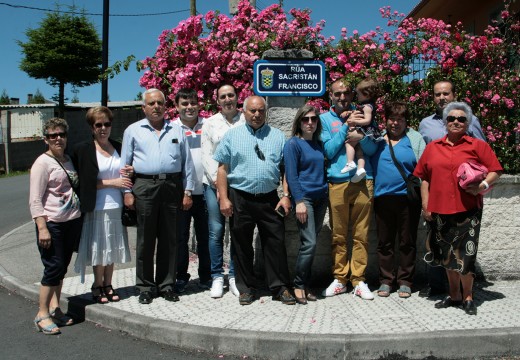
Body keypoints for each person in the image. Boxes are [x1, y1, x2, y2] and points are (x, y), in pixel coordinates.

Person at [414, 101, 502, 315]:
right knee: (447, 257)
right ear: (445, 122)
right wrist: (426, 205)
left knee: (466, 255)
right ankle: (454, 295)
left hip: (468, 210)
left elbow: (496, 171)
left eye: (461, 119)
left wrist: (481, 186)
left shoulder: (477, 145)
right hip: (439, 210)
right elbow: (424, 178)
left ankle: (468, 296)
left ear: (467, 123)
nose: (456, 122)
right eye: (451, 118)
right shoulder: (433, 147)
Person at [213, 95, 295, 306]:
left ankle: (279, 288)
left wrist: (285, 196)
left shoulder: (277, 136)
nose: (257, 114)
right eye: (252, 111)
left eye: (260, 111)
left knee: (275, 243)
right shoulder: (232, 136)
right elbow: (222, 170)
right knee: (241, 245)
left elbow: (286, 170)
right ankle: (246, 289)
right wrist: (224, 198)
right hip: (240, 197)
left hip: (269, 199)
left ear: (265, 112)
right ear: (245, 111)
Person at [121, 88, 195, 305]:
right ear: (144, 108)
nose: (156, 107)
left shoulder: (176, 130)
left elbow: (187, 163)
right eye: (151, 103)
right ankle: (145, 286)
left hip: (172, 186)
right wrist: (127, 192)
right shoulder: (133, 130)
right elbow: (125, 166)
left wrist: (187, 191)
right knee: (145, 239)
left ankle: (166, 285)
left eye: (159, 103)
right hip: (144, 186)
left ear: (165, 106)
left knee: (169, 239)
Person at [418, 79, 486, 298]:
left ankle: (465, 292)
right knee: (439, 244)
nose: (441, 97)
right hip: (437, 196)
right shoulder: (425, 124)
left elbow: (483, 157)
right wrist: (425, 199)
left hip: (464, 198)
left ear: (454, 94)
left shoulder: (469, 119)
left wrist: (478, 182)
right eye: (437, 94)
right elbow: (424, 166)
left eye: (446, 93)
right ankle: (441, 288)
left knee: (464, 246)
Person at [320, 78, 378, 300]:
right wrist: (345, 128)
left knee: (362, 234)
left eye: (346, 93)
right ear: (331, 97)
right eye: (337, 94)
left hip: (364, 179)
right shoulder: (325, 120)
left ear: (352, 95)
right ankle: (340, 279)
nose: (342, 97)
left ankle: (359, 280)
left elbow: (372, 149)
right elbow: (329, 151)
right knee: (339, 235)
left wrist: (360, 136)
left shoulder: (363, 113)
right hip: (338, 181)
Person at [71, 106, 133, 304]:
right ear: (92, 127)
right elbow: (82, 182)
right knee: (100, 248)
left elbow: (126, 174)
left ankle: (108, 283)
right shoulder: (83, 149)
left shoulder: (119, 147)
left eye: (107, 124)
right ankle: (97, 284)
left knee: (112, 247)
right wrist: (111, 183)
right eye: (99, 124)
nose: (103, 128)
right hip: (96, 206)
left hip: (116, 206)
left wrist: (130, 172)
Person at [29, 117, 82, 334]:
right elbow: (35, 199)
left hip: (71, 222)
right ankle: (42, 314)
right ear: (46, 139)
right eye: (53, 135)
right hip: (52, 224)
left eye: (61, 134)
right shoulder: (42, 163)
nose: (58, 138)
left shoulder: (68, 159)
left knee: (62, 267)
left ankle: (56, 309)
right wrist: (42, 227)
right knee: (53, 267)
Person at [371, 102, 425, 298]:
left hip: (407, 198)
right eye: (392, 119)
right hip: (382, 198)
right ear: (386, 120)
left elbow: (423, 167)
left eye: (400, 119)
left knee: (407, 241)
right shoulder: (377, 139)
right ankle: (386, 280)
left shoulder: (415, 138)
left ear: (406, 121)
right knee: (384, 242)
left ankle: (405, 281)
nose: (395, 123)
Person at [201, 83, 244, 298]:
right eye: (223, 96)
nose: (227, 99)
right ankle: (217, 276)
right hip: (213, 184)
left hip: (238, 184)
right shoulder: (209, 123)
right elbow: (207, 157)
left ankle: (234, 276)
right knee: (216, 231)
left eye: (231, 95)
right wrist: (219, 187)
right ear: (217, 100)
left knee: (236, 230)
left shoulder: (246, 120)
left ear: (237, 97)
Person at [283, 105, 328, 305]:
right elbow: (291, 175)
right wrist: (299, 201)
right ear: (299, 122)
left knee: (311, 243)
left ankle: (306, 284)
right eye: (306, 119)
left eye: (313, 119)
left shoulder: (319, 144)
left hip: (321, 198)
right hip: (305, 199)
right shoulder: (293, 144)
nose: (310, 123)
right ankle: (299, 284)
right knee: (309, 243)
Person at [171, 88, 211, 293]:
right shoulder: (171, 128)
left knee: (206, 237)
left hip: (206, 191)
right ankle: (180, 277)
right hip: (182, 193)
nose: (189, 107)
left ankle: (206, 276)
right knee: (180, 238)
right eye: (184, 103)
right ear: (177, 106)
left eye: (193, 103)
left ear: (199, 104)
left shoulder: (208, 124)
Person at [340, 78, 382, 183]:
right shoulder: (366, 106)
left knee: (349, 143)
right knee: (359, 150)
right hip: (365, 131)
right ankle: (360, 168)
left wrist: (354, 121)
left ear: (366, 94)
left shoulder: (367, 107)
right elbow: (360, 113)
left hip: (365, 130)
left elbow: (367, 120)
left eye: (358, 94)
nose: (357, 96)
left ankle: (350, 162)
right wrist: (349, 113)